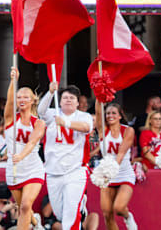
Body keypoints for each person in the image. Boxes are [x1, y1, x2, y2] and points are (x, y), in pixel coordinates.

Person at [37, 83, 93, 230]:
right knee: (60, 213)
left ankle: (76, 211)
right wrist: (50, 92)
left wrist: (66, 123)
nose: (68, 100)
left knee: (70, 214)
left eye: (72, 98)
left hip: (75, 170)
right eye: (65, 97)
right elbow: (40, 110)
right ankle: (80, 208)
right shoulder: (52, 114)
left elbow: (86, 128)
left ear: (77, 102)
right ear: (60, 101)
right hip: (53, 171)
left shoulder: (84, 116)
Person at [3, 68, 45, 230]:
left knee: (26, 206)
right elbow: (9, 102)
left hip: (33, 168)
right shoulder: (10, 119)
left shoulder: (39, 123)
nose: (22, 99)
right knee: (22, 208)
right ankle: (36, 223)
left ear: (33, 100)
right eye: (19, 96)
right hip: (13, 169)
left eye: (26, 97)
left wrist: (21, 155)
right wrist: (14, 80)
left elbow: (32, 142)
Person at [94, 101, 138, 230]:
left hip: (123, 172)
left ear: (120, 116)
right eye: (107, 113)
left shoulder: (128, 130)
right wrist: (98, 95)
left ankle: (128, 216)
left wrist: (112, 169)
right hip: (107, 174)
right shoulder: (102, 129)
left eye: (113, 113)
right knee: (107, 213)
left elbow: (122, 152)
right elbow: (98, 112)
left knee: (118, 208)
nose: (110, 115)